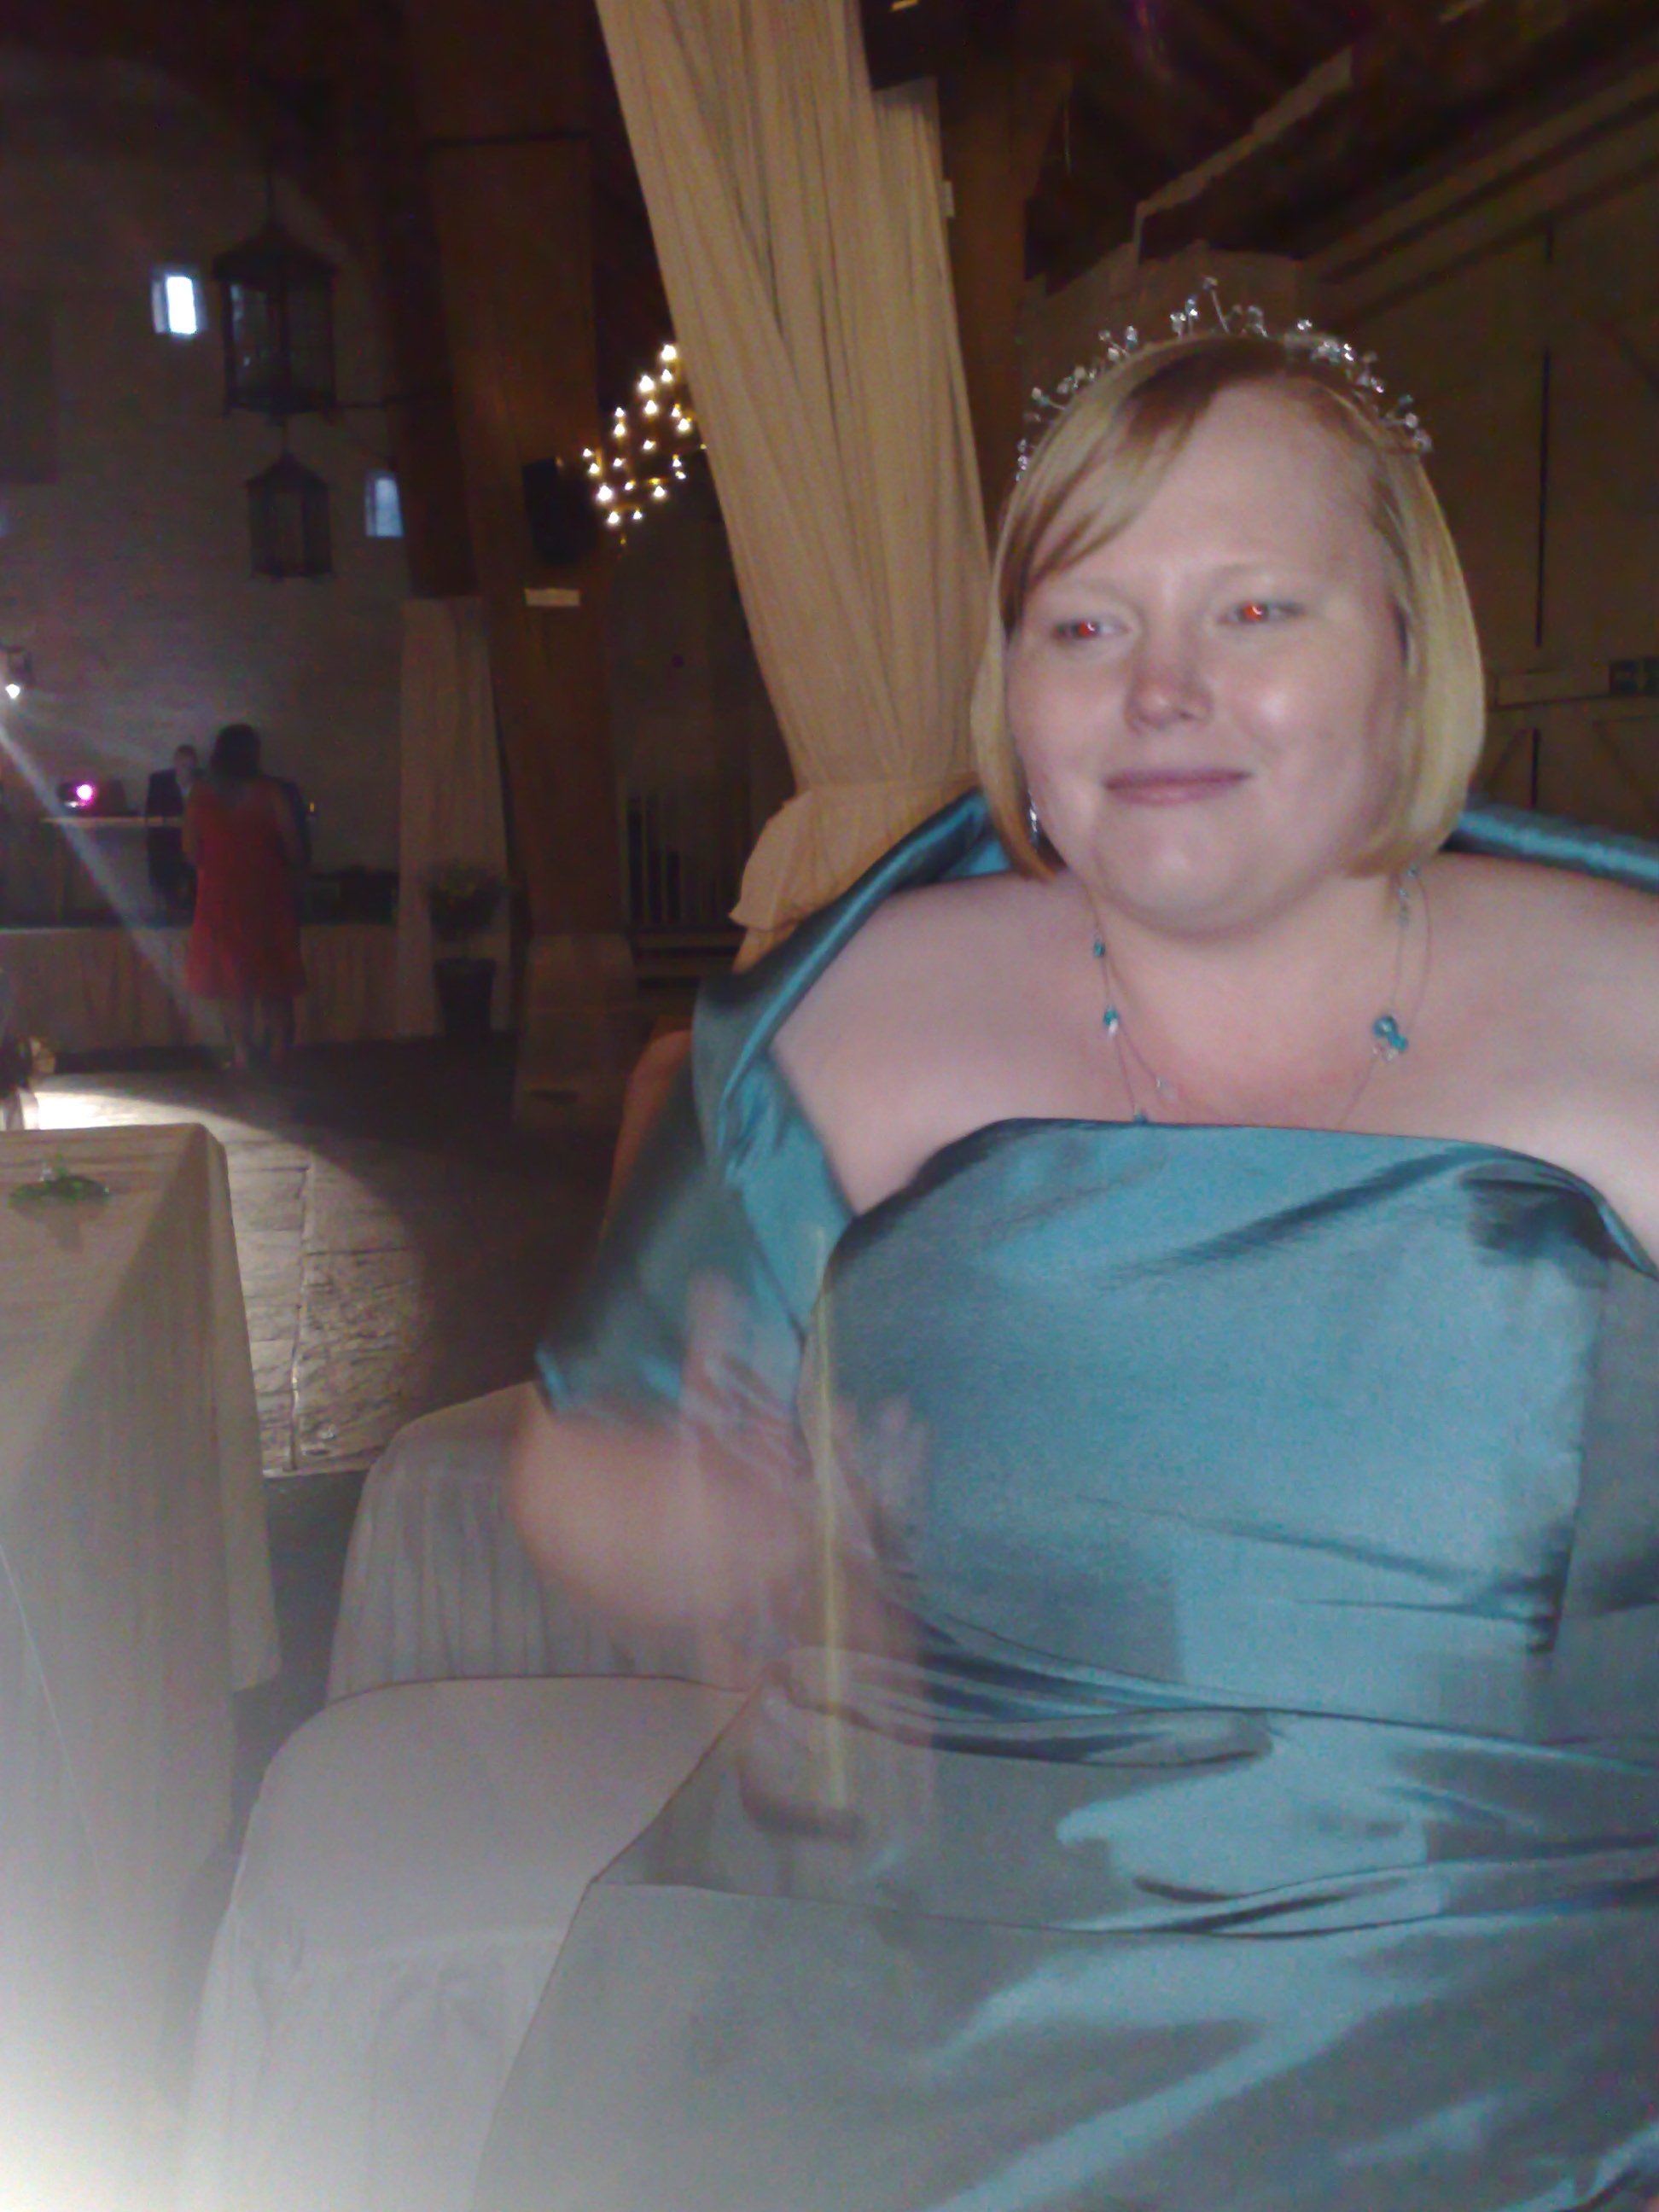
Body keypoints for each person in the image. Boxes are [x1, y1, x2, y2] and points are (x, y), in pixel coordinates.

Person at [478, 311, 1659, 2208]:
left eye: (1254, 611)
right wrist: (739, 1534)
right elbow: (578, 1465)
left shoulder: (1634, 1010)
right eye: (1084, 625)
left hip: (1536, 2057)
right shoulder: (844, 1018)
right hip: (915, 2036)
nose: (1161, 692)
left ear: (1408, 652)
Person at [183, 723, 306, 1069]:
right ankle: (280, 1049)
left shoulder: (200, 794)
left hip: (220, 892)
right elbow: (294, 847)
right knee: (273, 973)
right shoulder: (270, 792)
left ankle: (241, 1051)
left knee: (229, 977)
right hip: (266, 892)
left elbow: (190, 850)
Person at [144, 741, 199, 916]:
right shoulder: (161, 783)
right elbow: (152, 813)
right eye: (182, 765)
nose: (185, 770)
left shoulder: (203, 783)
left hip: (195, 841)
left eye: (189, 766)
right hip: (167, 841)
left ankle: (190, 909)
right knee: (165, 861)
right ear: (175, 763)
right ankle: (172, 908)